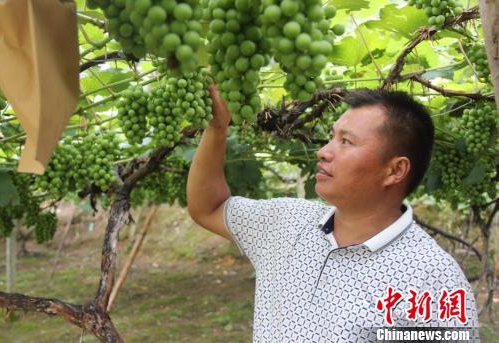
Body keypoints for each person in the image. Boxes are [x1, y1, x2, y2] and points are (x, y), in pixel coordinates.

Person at [186, 85, 480, 342]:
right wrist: (217, 129)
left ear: (395, 170)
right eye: (331, 137)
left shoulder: (433, 279)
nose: (323, 151)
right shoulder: (284, 224)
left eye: (346, 142)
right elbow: (208, 207)